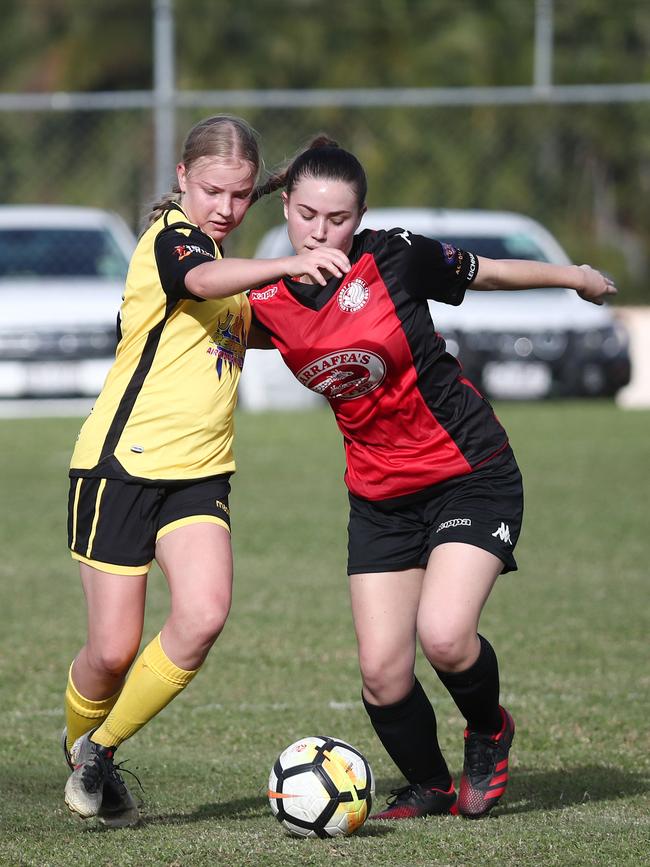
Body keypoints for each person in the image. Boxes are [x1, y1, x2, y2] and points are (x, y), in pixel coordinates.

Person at [247, 137, 617, 820]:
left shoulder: (395, 255)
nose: (320, 231)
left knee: (445, 634)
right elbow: (191, 320)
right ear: (286, 209)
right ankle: (429, 783)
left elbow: (491, 272)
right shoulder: (262, 292)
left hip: (468, 472)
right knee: (383, 675)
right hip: (379, 498)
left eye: (337, 218)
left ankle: (488, 730)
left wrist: (574, 276)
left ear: (360, 216)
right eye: (306, 215)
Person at [62, 116, 350, 827]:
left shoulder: (229, 277)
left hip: (199, 476)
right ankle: (78, 744)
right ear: (184, 177)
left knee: (203, 613)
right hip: (119, 467)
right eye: (214, 190)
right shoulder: (171, 242)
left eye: (241, 194)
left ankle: (98, 750)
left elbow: (269, 330)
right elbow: (201, 274)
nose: (226, 207)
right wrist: (287, 263)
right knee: (110, 651)